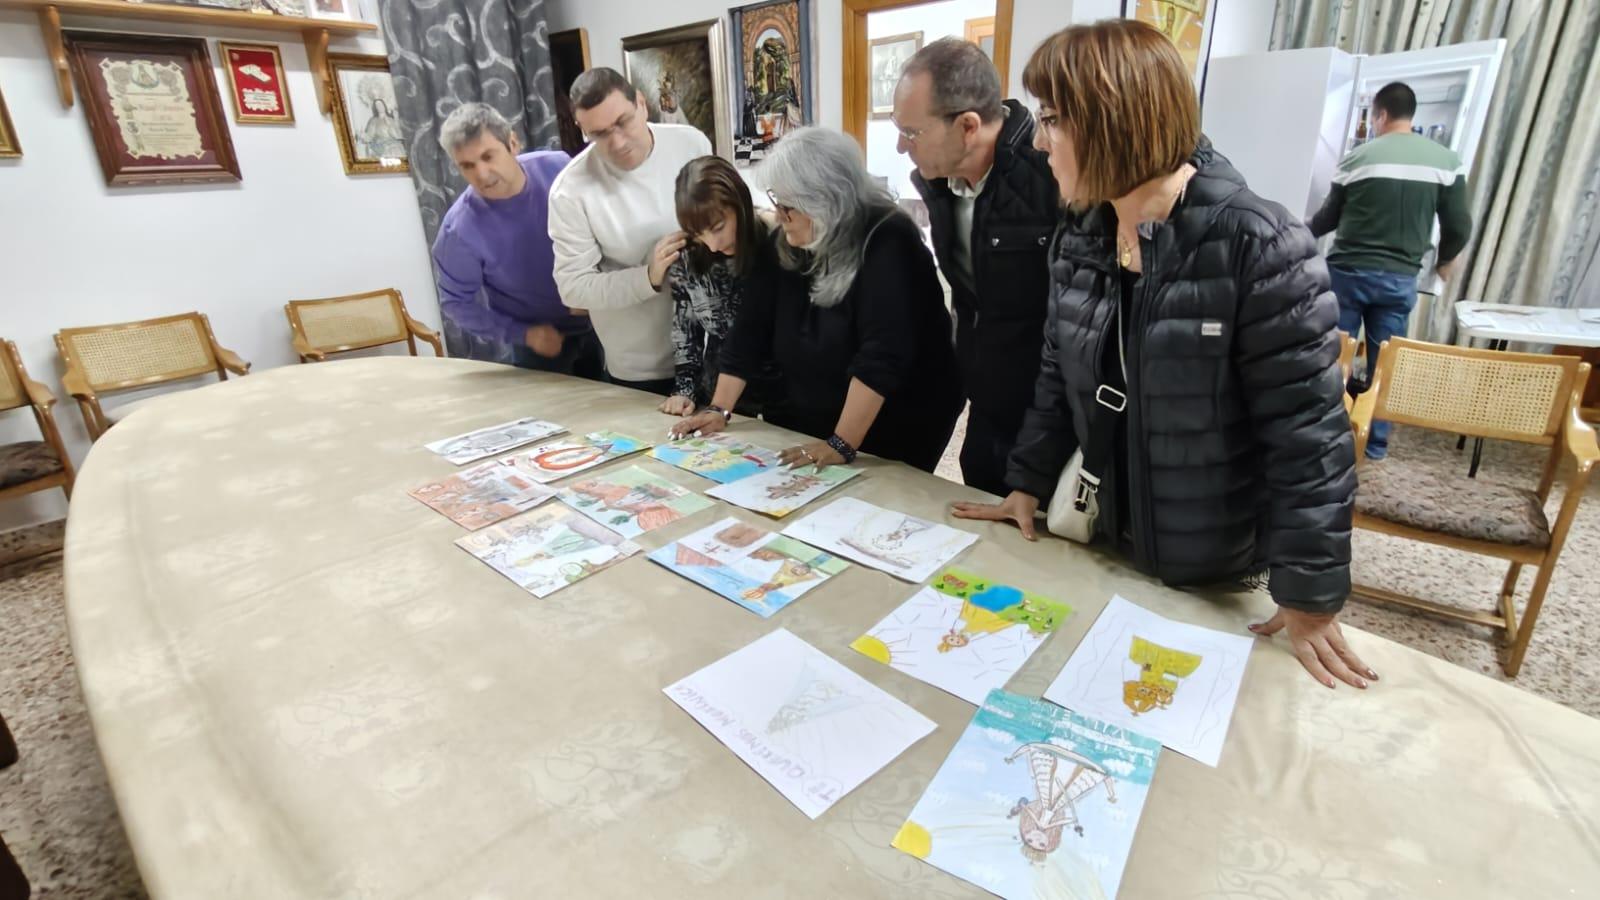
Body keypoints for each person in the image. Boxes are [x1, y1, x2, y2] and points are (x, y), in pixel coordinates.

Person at [953, 20, 1372, 691]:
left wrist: (1310, 596)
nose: (1037, 141)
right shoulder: (1080, 233)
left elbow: (1308, 438)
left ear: (1111, 121)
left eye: (1053, 119)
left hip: (1210, 567)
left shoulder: (1261, 244)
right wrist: (1026, 482)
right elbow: (1059, 377)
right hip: (1101, 537)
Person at [671, 127, 962, 473]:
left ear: (824, 201)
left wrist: (841, 442)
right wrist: (719, 409)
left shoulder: (889, 240)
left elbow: (882, 357)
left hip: (900, 417)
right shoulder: (785, 240)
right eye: (777, 202)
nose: (779, 215)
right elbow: (749, 330)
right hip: (821, 408)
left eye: (788, 207)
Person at [893, 37, 1059, 497]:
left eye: (912, 132)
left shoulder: (1050, 176)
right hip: (986, 411)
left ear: (968, 126)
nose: (902, 146)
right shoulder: (940, 185)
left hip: (1046, 419)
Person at [1309, 81, 1473, 460]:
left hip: (1347, 273)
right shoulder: (1445, 162)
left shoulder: (1358, 158)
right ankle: (1375, 443)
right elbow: (1460, 224)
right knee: (1385, 362)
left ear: (1381, 115)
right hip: (1399, 277)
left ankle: (1323, 435)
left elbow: (1327, 218)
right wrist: (1445, 260)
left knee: (1333, 355)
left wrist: (1295, 234)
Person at [548, 67, 711, 395]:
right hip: (641, 368)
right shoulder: (570, 191)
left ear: (641, 103)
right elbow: (573, 288)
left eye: (623, 122)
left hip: (713, 350)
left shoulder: (691, 143)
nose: (618, 142)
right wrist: (648, 277)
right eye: (599, 134)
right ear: (582, 129)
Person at [431, 103, 603, 378]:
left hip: (604, 319)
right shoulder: (459, 231)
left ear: (513, 143)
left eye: (488, 156)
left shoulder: (559, 168)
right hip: (539, 344)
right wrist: (524, 334)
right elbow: (455, 303)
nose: (481, 174)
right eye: (467, 166)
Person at [660, 155, 777, 416]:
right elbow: (685, 331)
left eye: (718, 227)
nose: (713, 245)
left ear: (740, 204)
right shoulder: (688, 256)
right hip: (716, 400)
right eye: (699, 234)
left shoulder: (778, 242)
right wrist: (684, 390)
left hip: (781, 404)